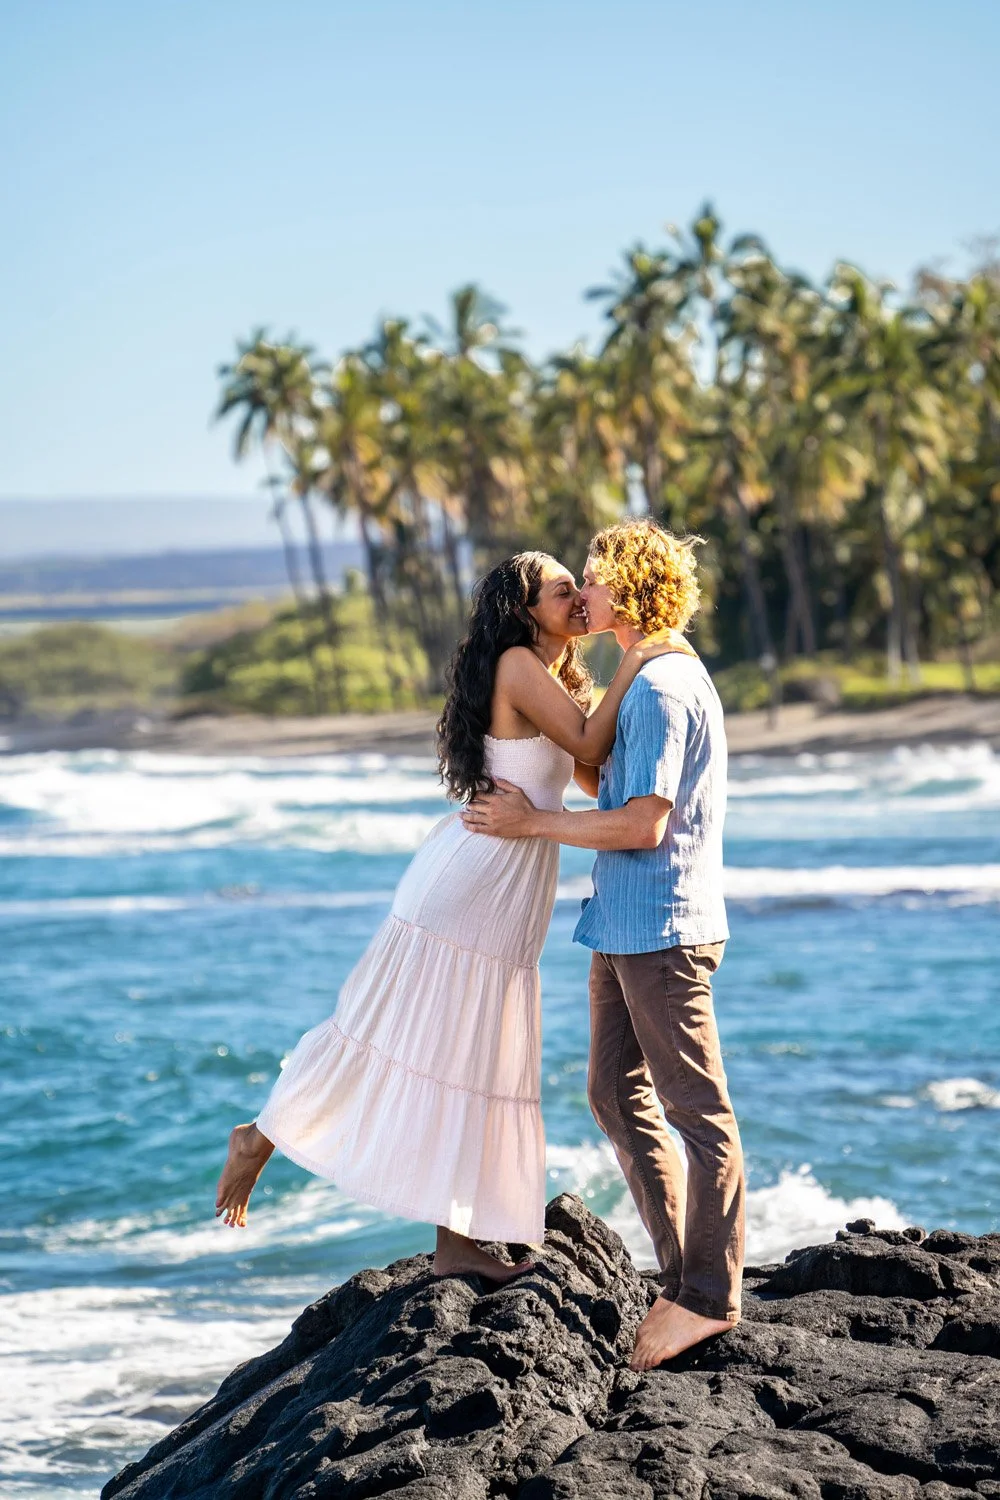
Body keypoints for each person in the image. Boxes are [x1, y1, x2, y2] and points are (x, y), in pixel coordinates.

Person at [214, 550, 691, 1282]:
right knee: (410, 1037)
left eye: (575, 589)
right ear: (527, 610)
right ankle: (263, 1136)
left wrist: (616, 689)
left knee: (468, 1048)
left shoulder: (555, 674)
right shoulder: (518, 665)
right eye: (561, 591)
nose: (576, 599)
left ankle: (456, 1242)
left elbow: (589, 769)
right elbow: (592, 745)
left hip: (508, 874)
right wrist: (644, 649)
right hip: (478, 878)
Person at [462, 519, 743, 1364]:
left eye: (592, 577)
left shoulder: (661, 689)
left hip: (660, 930)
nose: (581, 591)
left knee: (699, 1114)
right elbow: (599, 770)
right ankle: (678, 1279)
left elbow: (641, 824)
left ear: (628, 588)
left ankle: (707, 1297)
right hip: (623, 927)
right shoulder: (645, 676)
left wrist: (531, 821)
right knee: (616, 1096)